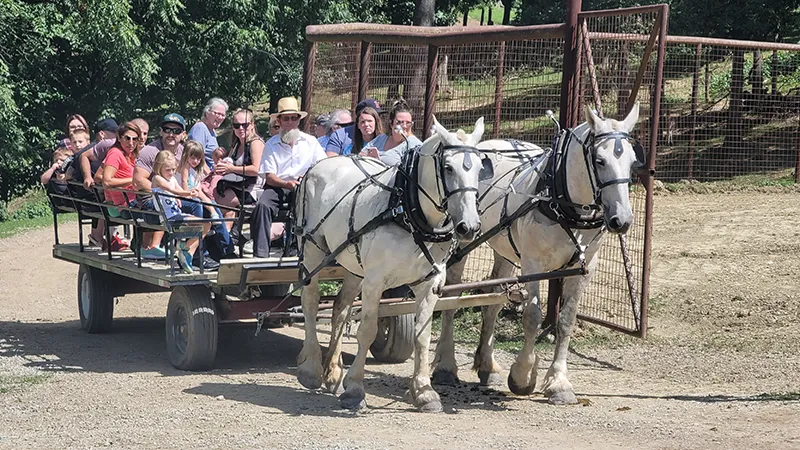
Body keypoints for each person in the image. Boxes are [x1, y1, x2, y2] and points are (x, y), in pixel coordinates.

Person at [251, 97, 326, 258]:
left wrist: (306, 177)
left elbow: (323, 165)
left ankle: (301, 249)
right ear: (279, 120)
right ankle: (261, 253)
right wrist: (286, 183)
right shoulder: (271, 144)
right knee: (262, 206)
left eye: (294, 118)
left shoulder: (310, 142)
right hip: (277, 186)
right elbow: (269, 176)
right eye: (286, 118)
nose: (290, 122)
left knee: (312, 205)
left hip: (304, 185)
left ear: (299, 120)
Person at [150, 151, 211, 274]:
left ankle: (187, 251)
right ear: (159, 167)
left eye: (173, 169)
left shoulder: (172, 178)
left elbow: (179, 190)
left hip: (177, 215)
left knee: (207, 223)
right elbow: (173, 190)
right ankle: (185, 250)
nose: (171, 173)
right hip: (169, 218)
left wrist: (191, 192)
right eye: (168, 170)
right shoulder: (157, 178)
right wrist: (188, 193)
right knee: (204, 224)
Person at [214, 108, 265, 230]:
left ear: (252, 125)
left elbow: (256, 169)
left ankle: (216, 235)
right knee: (224, 209)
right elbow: (229, 163)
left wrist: (231, 169)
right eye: (237, 125)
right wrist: (219, 163)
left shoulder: (255, 143)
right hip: (236, 185)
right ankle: (227, 240)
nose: (241, 128)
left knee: (215, 206)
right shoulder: (237, 143)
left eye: (245, 125)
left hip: (252, 190)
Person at [101, 122, 144, 251]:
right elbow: (106, 181)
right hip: (120, 205)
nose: (131, 143)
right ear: (119, 138)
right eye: (127, 138)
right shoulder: (115, 154)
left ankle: (144, 245)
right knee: (154, 209)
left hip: (131, 201)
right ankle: (144, 246)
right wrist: (133, 180)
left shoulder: (130, 155)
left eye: (134, 139)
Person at [362, 99, 422, 166]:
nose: (404, 126)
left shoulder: (415, 145)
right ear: (391, 124)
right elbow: (361, 153)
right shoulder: (382, 138)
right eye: (399, 122)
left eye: (408, 123)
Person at [176, 140, 217, 219]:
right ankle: (213, 213)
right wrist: (187, 194)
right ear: (186, 156)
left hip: (193, 191)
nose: (196, 161)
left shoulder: (192, 169)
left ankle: (214, 213)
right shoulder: (185, 167)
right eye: (193, 158)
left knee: (209, 200)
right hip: (186, 193)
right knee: (201, 200)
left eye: (198, 159)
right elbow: (184, 181)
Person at [188, 97, 228, 169]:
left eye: (223, 115)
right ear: (207, 113)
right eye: (217, 113)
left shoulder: (212, 131)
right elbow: (197, 158)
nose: (220, 117)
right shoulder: (200, 128)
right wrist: (210, 176)